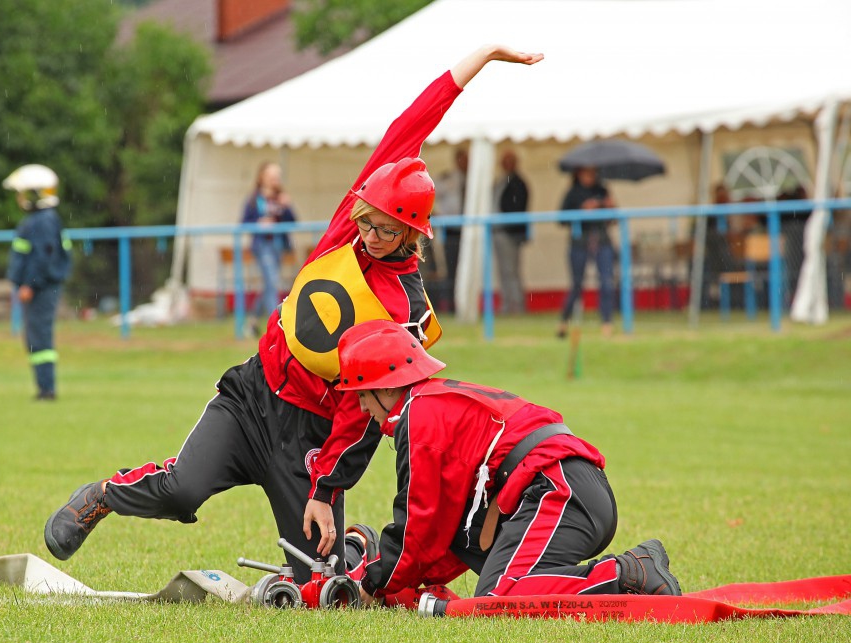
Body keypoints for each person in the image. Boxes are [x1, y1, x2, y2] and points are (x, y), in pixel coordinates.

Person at [42, 44, 545, 582]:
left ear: (413, 233)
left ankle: (353, 543)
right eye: (367, 222)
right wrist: (481, 58)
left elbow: (364, 411)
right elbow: (410, 126)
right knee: (183, 488)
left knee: (320, 582)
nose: (371, 237)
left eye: (387, 230)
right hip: (252, 396)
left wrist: (327, 488)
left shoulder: (406, 312)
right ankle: (100, 497)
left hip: (309, 438)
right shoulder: (343, 234)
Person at [334, 319, 681, 604]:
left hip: (558, 491)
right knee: (494, 591)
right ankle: (621, 573)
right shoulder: (433, 402)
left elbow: (417, 525)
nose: (363, 408)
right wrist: (400, 583)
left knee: (498, 598)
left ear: (388, 387)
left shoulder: (419, 416)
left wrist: (372, 585)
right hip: (568, 488)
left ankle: (627, 573)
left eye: (364, 394)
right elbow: (448, 529)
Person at [4, 164, 72, 401]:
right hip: (39, 286)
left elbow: (42, 257)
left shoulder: (42, 221)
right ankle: (44, 387)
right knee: (35, 337)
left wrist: (29, 285)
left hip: (40, 288)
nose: (20, 198)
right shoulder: (41, 220)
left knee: (40, 337)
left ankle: (47, 389)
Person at [556, 166, 617, 338]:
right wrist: (582, 210)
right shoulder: (573, 193)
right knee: (576, 284)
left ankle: (606, 323)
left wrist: (610, 207)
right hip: (579, 242)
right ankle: (563, 322)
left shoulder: (602, 190)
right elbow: (561, 219)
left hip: (601, 240)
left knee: (606, 281)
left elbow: (613, 219)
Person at [242, 162, 295, 336]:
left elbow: (293, 222)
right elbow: (244, 223)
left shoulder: (281, 198)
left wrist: (288, 207)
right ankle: (279, 328)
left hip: (278, 245)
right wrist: (259, 224)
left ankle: (252, 322)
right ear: (262, 177)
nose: (275, 179)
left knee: (268, 285)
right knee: (273, 282)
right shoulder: (254, 199)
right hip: (262, 245)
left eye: (277, 176)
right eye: (272, 176)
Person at [492, 149, 530, 314]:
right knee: (504, 271)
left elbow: (517, 206)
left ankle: (516, 306)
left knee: (511, 271)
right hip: (499, 231)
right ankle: (508, 304)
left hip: (509, 232)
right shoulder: (502, 181)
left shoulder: (518, 183)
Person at [432, 148, 469, 312]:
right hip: (451, 230)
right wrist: (435, 214)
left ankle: (465, 302)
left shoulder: (474, 180)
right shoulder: (448, 178)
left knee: (466, 268)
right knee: (451, 268)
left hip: (469, 230)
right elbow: (431, 193)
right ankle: (451, 305)